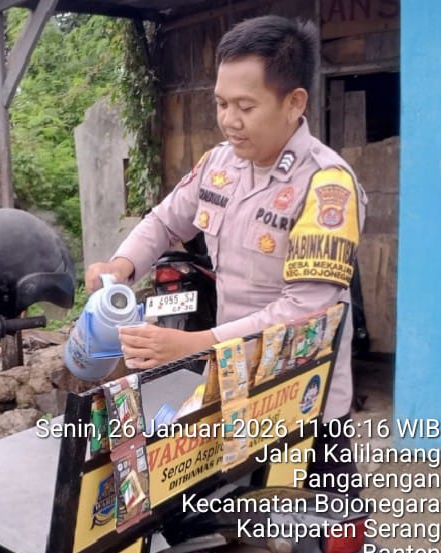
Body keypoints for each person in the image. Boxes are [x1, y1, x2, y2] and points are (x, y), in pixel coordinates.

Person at [86, 16, 366, 493]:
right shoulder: (220, 163)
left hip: (303, 398)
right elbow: (165, 221)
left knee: (319, 521)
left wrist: (194, 344)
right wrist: (122, 264)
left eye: (245, 106)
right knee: (228, 515)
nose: (229, 120)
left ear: (294, 102)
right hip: (235, 384)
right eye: (221, 103)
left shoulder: (326, 186)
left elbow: (305, 311)